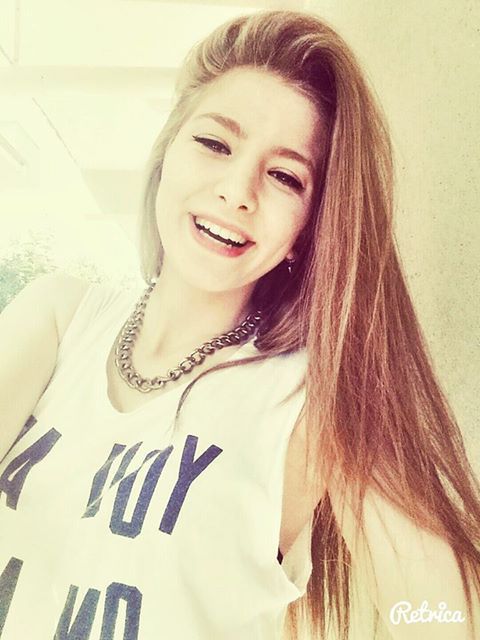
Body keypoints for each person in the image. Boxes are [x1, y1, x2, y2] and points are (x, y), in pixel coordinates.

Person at [0, 9, 479, 640]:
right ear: (166, 154)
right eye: (215, 144)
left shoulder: (309, 400)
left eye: (284, 176)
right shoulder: (60, 316)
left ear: (306, 230)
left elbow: (450, 618)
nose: (237, 190)